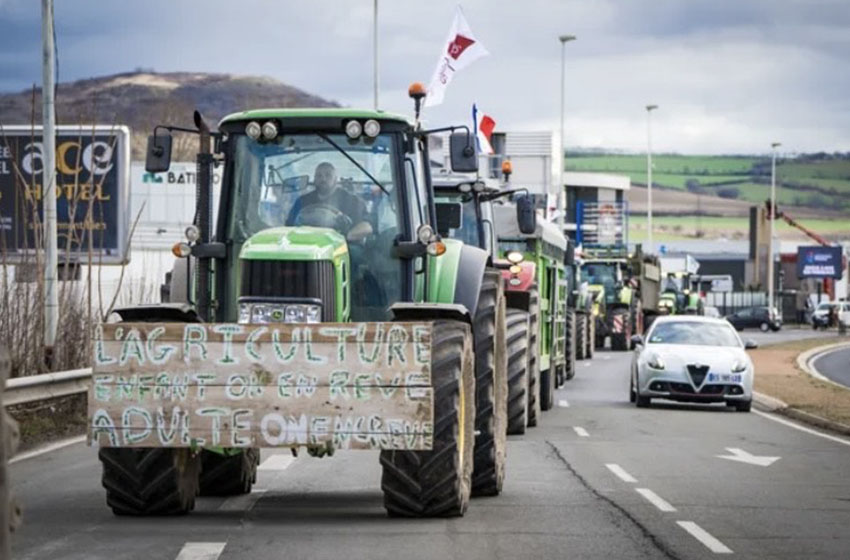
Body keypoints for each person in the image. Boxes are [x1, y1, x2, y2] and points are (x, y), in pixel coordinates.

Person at [286, 162, 373, 242]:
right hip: (307, 245)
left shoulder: (353, 201)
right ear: (314, 180)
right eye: (319, 176)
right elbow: (288, 227)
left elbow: (367, 226)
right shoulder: (302, 201)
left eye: (328, 175)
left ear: (335, 180)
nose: (323, 179)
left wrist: (346, 237)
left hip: (344, 247)